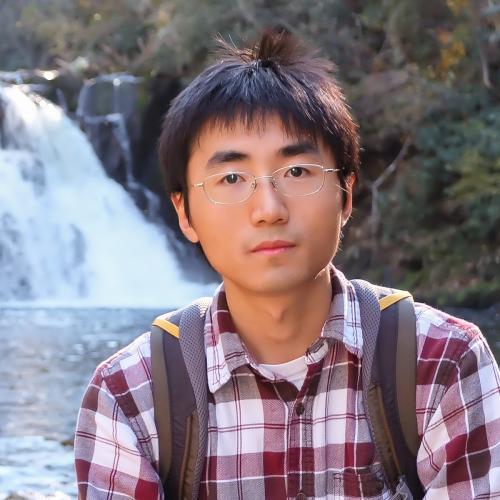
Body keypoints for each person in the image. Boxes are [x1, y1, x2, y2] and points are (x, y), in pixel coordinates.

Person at [74, 28, 500, 499]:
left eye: (297, 171)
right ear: (184, 213)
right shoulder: (130, 397)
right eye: (231, 178)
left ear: (346, 195)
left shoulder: (443, 364)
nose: (268, 209)